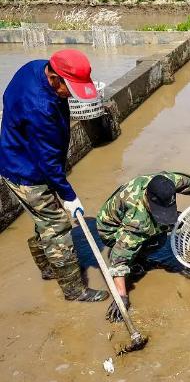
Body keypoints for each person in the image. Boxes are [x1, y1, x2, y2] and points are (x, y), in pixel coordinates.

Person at [0, 49, 109, 302]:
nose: (71, 95)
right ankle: (74, 290)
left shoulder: (35, 67)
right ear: (54, 79)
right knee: (57, 226)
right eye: (69, 89)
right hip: (27, 172)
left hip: (17, 155)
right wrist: (69, 196)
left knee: (44, 221)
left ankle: (48, 268)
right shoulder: (41, 109)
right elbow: (48, 164)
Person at [96, 171, 190, 322]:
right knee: (164, 251)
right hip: (110, 231)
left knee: (173, 224)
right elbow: (118, 259)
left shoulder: (166, 182)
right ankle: (141, 258)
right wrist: (121, 296)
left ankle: (143, 252)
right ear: (149, 202)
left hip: (131, 215)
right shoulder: (138, 221)